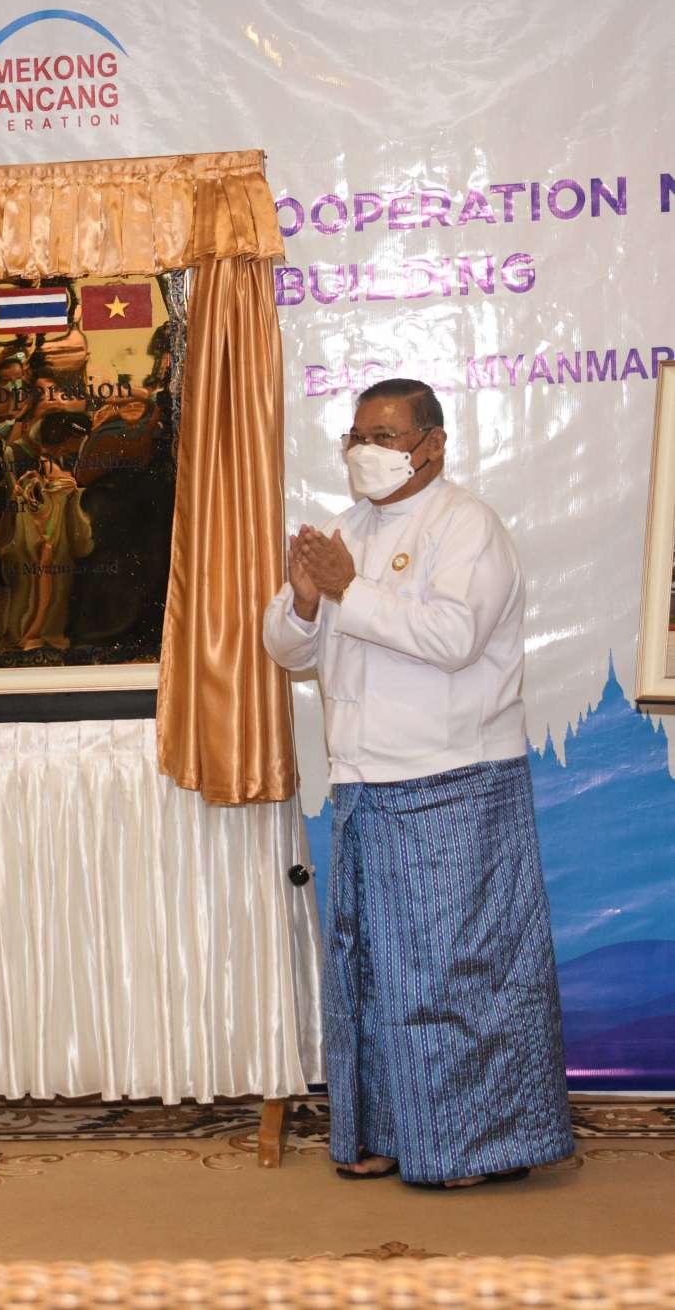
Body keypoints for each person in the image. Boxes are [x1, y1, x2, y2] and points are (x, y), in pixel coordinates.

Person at [262, 377, 574, 1190]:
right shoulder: (346, 530)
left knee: (455, 976)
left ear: (433, 443)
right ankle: (384, 1133)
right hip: (364, 782)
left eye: (386, 436)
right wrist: (305, 602)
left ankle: (474, 1146)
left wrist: (347, 589)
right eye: (356, 436)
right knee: (370, 973)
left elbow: (453, 637)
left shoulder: (467, 525)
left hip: (454, 780)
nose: (366, 451)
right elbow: (288, 650)